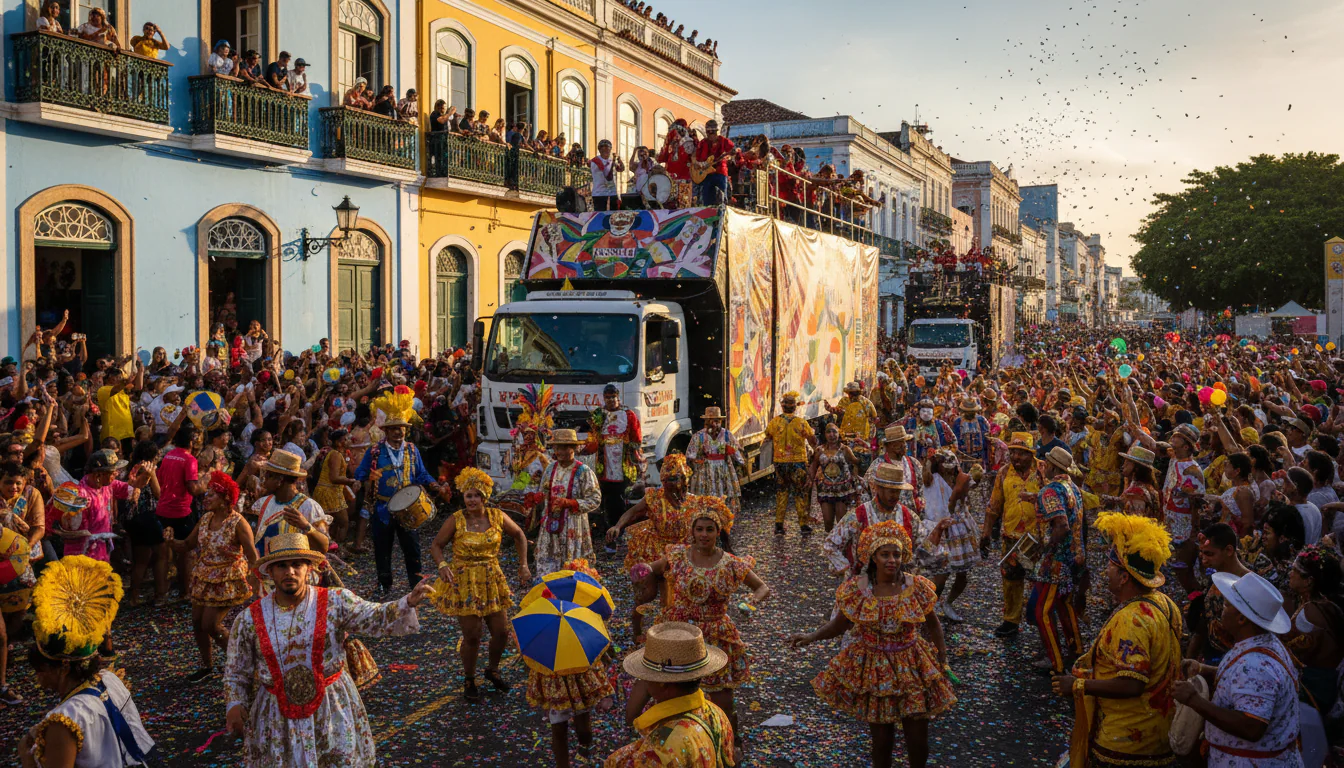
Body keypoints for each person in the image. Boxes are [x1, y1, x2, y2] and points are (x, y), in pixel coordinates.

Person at [224, 533, 433, 767]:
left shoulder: (335, 602)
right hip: (276, 716)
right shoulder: (249, 619)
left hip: (332, 708)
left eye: (296, 564)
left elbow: (374, 616)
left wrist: (408, 602)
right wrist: (235, 704)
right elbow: (236, 670)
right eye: (281, 566)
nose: (290, 572)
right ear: (270, 572)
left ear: (309, 569)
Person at [790, 520, 955, 768]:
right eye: (885, 554)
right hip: (876, 670)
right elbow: (840, 624)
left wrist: (942, 658)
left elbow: (933, 624)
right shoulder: (860, 588)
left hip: (912, 666)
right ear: (873, 557)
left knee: (918, 741)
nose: (892, 560)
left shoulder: (915, 585)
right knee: (881, 743)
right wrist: (811, 636)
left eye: (896, 554)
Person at [1051, 512, 1183, 768]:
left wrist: (1078, 685)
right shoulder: (1166, 604)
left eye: (1110, 566)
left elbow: (1131, 685)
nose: (1105, 571)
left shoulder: (1132, 620)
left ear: (1124, 577)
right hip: (1158, 736)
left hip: (1125, 742)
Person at [645, 498, 768, 755]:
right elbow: (652, 569)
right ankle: (675, 748)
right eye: (699, 529)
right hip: (681, 633)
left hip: (716, 632)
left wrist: (751, 601)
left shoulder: (731, 563)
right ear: (692, 530)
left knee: (723, 701)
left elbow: (762, 587)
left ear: (718, 531)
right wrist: (641, 571)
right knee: (675, 694)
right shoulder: (677, 555)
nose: (703, 534)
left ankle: (729, 746)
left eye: (709, 529)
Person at [18, 556, 156, 767]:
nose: (37, 678)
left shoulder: (66, 720)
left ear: (64, 667)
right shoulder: (109, 680)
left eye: (41, 669)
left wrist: (26, 757)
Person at [1174, 571, 1302, 767]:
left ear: (1242, 619)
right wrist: (1205, 669)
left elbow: (1251, 727)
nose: (1221, 610)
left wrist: (1194, 700)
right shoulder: (1262, 644)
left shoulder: (1256, 665)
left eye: (1226, 606)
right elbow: (1247, 685)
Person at [427, 468, 530, 703]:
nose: (471, 500)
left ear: (484, 496)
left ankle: (493, 670)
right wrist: (442, 565)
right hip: (465, 582)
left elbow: (519, 535)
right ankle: (469, 678)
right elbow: (436, 545)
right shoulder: (456, 519)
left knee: (501, 632)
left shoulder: (497, 516)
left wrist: (523, 564)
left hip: (492, 579)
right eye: (468, 495)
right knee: (472, 636)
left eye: (476, 495)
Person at [353, 398, 450, 595]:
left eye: (402, 428)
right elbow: (361, 473)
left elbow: (421, 474)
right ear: (387, 431)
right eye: (395, 428)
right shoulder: (375, 451)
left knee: (412, 548)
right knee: (382, 548)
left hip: (409, 508)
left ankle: (416, 584)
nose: (399, 432)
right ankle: (384, 584)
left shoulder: (412, 450)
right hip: (382, 509)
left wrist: (435, 485)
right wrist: (362, 479)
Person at [606, 622, 735, 768]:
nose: (644, 681)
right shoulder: (717, 714)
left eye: (647, 676)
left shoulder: (661, 749)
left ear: (662, 683)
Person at [527, 559, 615, 768]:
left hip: (580, 675)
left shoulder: (585, 621)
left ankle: (585, 745)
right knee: (559, 727)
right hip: (553, 678)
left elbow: (601, 643)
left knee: (583, 725)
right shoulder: (546, 618)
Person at [170, 472, 257, 683]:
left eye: (211, 495)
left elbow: (253, 556)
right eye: (206, 495)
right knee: (196, 623)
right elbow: (187, 545)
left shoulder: (238, 523)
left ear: (225, 498)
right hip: (204, 576)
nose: (205, 499)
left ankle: (243, 664)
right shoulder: (205, 519)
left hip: (227, 579)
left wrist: (256, 584)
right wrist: (170, 540)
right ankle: (207, 666)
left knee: (210, 625)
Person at [606, 453, 697, 640]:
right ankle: (637, 631)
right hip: (653, 550)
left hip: (681, 552)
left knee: (674, 596)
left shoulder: (692, 501)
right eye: (670, 479)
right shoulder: (654, 497)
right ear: (663, 480)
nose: (675, 483)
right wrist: (617, 526)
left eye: (679, 478)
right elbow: (632, 512)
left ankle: (670, 637)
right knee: (646, 595)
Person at [1028, 446, 1086, 674]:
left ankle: (1056, 662)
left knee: (1042, 611)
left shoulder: (1050, 490)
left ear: (1052, 466)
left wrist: (1046, 548)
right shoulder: (1073, 487)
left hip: (1056, 561)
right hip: (1073, 557)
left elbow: (1061, 524)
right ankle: (1077, 651)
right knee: (1064, 605)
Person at [981, 432, 1041, 639]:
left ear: (1031, 455)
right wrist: (986, 533)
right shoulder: (1004, 472)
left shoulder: (1042, 471)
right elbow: (994, 505)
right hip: (1011, 536)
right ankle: (1011, 621)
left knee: (1038, 579)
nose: (1016, 457)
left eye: (1021, 453)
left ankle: (1041, 619)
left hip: (1036, 538)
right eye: (1013, 452)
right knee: (1011, 580)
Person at [823, 463, 925, 577]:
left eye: (897, 491)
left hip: (899, 582)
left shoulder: (909, 517)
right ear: (878, 488)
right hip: (863, 581)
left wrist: (913, 570)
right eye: (891, 491)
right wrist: (846, 569)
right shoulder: (858, 516)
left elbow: (924, 547)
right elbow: (830, 544)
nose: (894, 495)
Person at [583, 384, 645, 550]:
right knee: (607, 499)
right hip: (605, 465)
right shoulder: (599, 415)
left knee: (621, 498)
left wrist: (628, 449)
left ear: (618, 398)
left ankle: (621, 530)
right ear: (604, 398)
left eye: (613, 397)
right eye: (607, 397)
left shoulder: (628, 415)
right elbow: (593, 439)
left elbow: (636, 439)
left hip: (623, 465)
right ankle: (609, 532)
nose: (610, 400)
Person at [922, 449, 978, 621]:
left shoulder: (961, 479)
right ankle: (927, 610)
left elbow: (960, 501)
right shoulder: (932, 481)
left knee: (962, 574)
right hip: (941, 529)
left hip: (959, 530)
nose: (948, 469)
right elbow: (941, 509)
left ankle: (947, 603)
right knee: (941, 575)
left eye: (950, 466)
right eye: (944, 466)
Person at [535, 429, 601, 575]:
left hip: (573, 525)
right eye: (557, 447)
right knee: (548, 565)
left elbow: (595, 499)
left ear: (574, 448)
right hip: (551, 525)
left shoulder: (583, 471)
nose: (560, 452)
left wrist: (571, 503)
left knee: (573, 567)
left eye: (565, 447)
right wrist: (538, 498)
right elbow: (543, 491)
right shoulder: (550, 468)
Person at [1189, 523, 1253, 664]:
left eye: (1209, 554)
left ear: (1229, 550)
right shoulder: (1216, 577)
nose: (1203, 558)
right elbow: (1204, 625)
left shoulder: (1249, 585)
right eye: (1202, 553)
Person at [765, 390, 817, 535]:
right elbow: (812, 440)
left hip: (780, 462)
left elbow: (768, 436)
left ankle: (779, 525)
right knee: (800, 493)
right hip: (798, 462)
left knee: (782, 492)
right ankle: (803, 525)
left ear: (782, 407)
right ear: (795, 407)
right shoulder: (802, 423)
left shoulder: (774, 422)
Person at [1163, 423, 1207, 595]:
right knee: (1173, 568)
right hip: (1170, 522)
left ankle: (1196, 600)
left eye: (1177, 437)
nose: (1172, 439)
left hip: (1184, 528)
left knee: (1184, 570)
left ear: (1186, 446)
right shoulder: (1174, 460)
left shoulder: (1192, 470)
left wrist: (1193, 535)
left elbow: (1197, 505)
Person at [684, 406, 744, 515]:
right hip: (705, 471)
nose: (714, 424)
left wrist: (738, 460)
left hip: (723, 470)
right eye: (710, 421)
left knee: (724, 496)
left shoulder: (727, 435)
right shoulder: (699, 436)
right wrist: (697, 460)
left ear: (720, 422)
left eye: (716, 421)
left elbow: (737, 453)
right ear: (706, 422)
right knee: (705, 497)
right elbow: (690, 456)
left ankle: (723, 515)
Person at [312, 429, 358, 554]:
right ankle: (338, 550)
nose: (348, 441)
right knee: (343, 523)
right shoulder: (335, 455)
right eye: (345, 439)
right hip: (329, 492)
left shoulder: (336, 453)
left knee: (330, 523)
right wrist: (351, 481)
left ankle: (330, 550)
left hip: (329, 491)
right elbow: (334, 478)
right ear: (338, 443)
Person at [811, 421, 861, 533]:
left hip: (842, 490)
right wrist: (809, 480)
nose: (831, 435)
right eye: (828, 432)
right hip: (825, 490)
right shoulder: (819, 450)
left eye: (834, 432)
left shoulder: (845, 449)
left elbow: (856, 462)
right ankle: (829, 542)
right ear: (825, 434)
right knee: (828, 523)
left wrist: (856, 475)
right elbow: (814, 466)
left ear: (839, 434)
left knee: (841, 523)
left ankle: (840, 542)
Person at [865, 425, 925, 513]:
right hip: (888, 514)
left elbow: (922, 486)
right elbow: (872, 490)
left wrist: (920, 503)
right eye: (900, 442)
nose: (905, 446)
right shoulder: (878, 465)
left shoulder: (914, 462)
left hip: (912, 514)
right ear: (890, 445)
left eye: (905, 442)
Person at [826, 381, 880, 472]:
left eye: (854, 393)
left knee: (859, 460)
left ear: (858, 393)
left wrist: (870, 434)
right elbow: (838, 411)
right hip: (846, 436)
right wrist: (831, 409)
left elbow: (875, 418)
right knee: (845, 459)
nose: (852, 395)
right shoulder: (844, 401)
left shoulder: (866, 403)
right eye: (850, 393)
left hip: (862, 438)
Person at [692, 119, 734, 206]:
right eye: (708, 133)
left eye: (713, 133)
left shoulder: (724, 141)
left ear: (716, 132)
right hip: (706, 174)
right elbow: (695, 156)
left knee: (722, 198)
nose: (711, 135)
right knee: (707, 199)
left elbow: (733, 150)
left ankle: (722, 212)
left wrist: (731, 154)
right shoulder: (702, 143)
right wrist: (696, 163)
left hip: (720, 172)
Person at [589, 140, 624, 212]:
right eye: (604, 149)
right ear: (599, 150)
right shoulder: (596, 161)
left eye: (608, 149)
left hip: (612, 192)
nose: (606, 151)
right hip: (599, 193)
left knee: (613, 214)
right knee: (601, 214)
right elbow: (608, 176)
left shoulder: (610, 160)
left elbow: (621, 169)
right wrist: (613, 162)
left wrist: (619, 160)